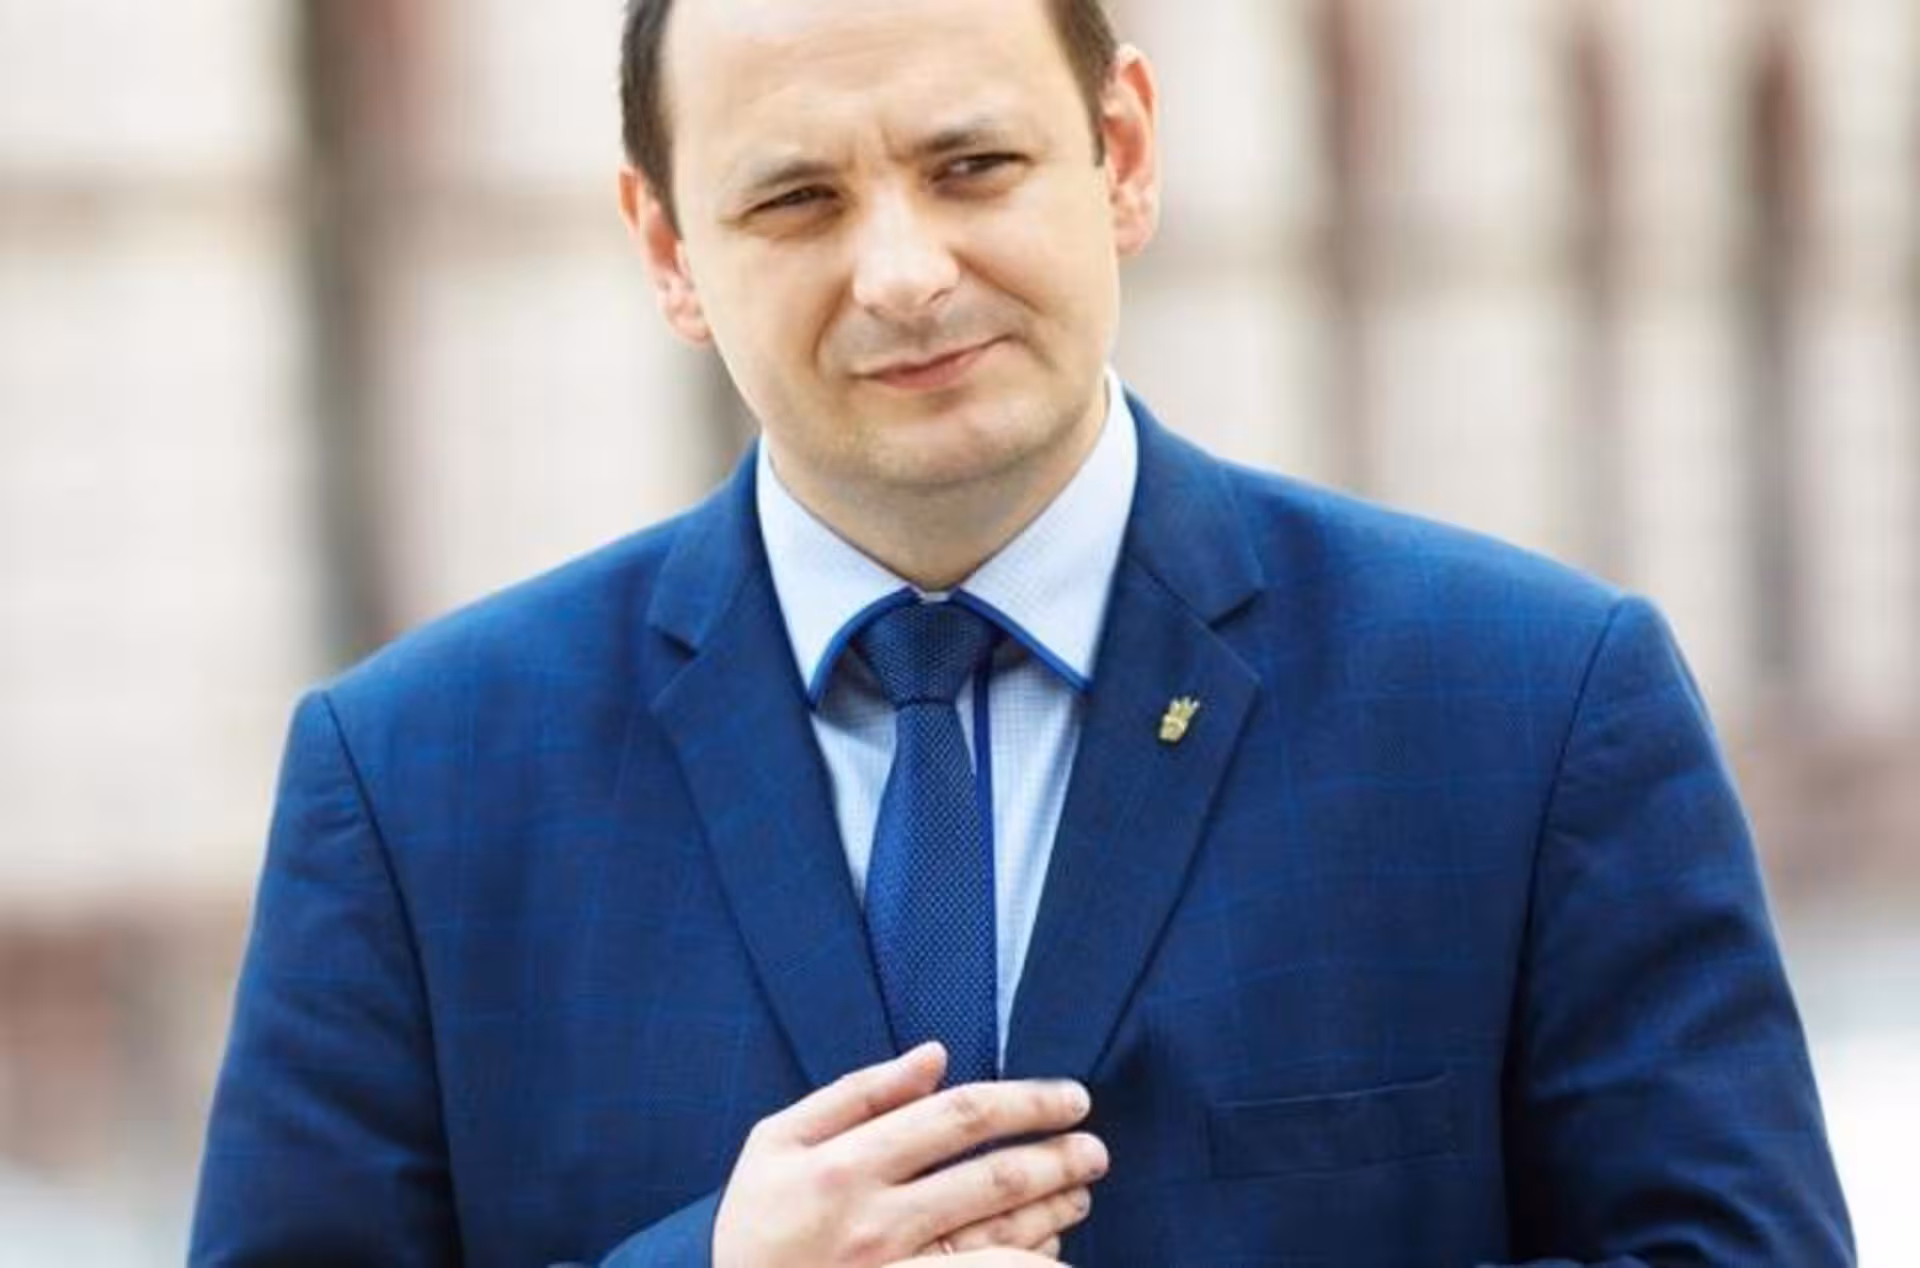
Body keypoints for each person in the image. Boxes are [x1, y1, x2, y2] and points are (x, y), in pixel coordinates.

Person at [189, 0, 1855, 1263]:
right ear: (667, 249)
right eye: (796, 199)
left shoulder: (1531, 706)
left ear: (1121, 152)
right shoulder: (412, 782)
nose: (904, 273)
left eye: (970, 166)